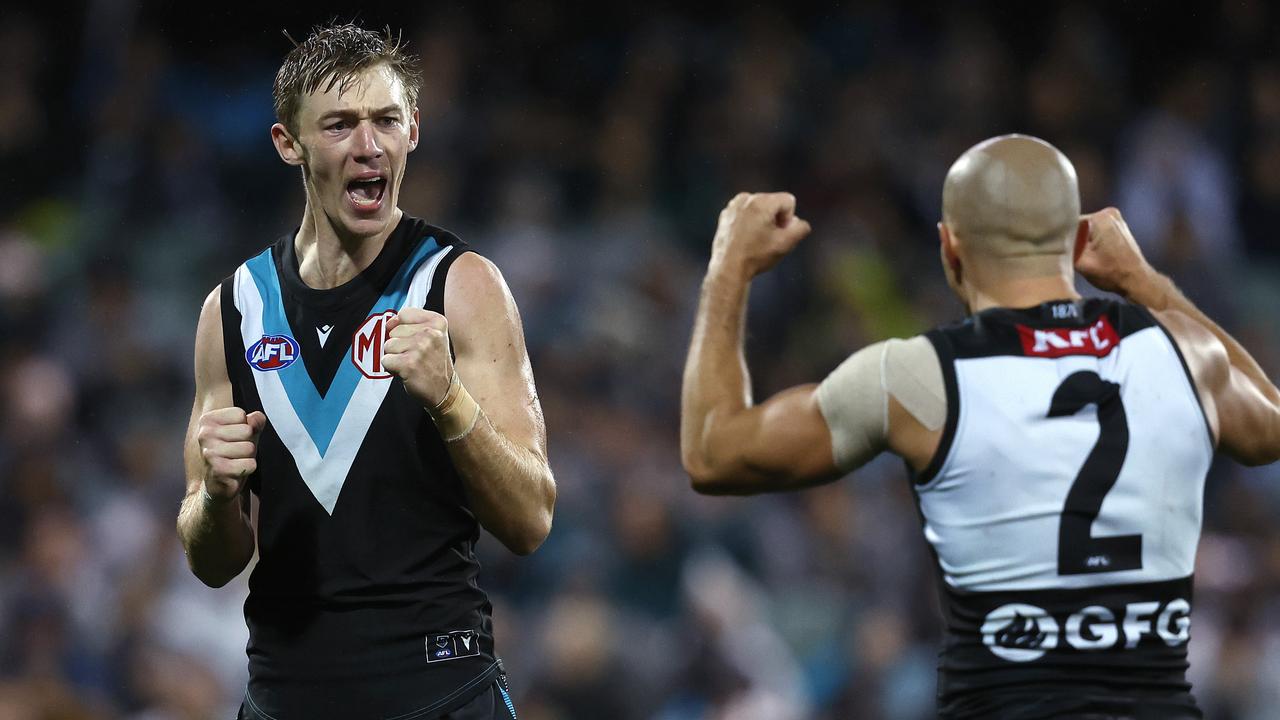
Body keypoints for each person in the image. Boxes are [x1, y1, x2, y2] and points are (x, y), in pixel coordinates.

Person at [680, 134, 1280, 719]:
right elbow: (1270, 426)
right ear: (1076, 243)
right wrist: (1146, 284)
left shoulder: (918, 377)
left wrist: (729, 269)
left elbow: (713, 454)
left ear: (949, 247)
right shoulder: (1184, 351)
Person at [176, 23, 555, 720]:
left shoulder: (462, 286)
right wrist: (218, 497)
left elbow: (531, 519)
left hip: (440, 691)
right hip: (284, 699)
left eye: (385, 120)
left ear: (414, 129)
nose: (368, 144)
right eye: (340, 125)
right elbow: (212, 560)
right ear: (288, 144)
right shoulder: (233, 309)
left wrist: (450, 402)